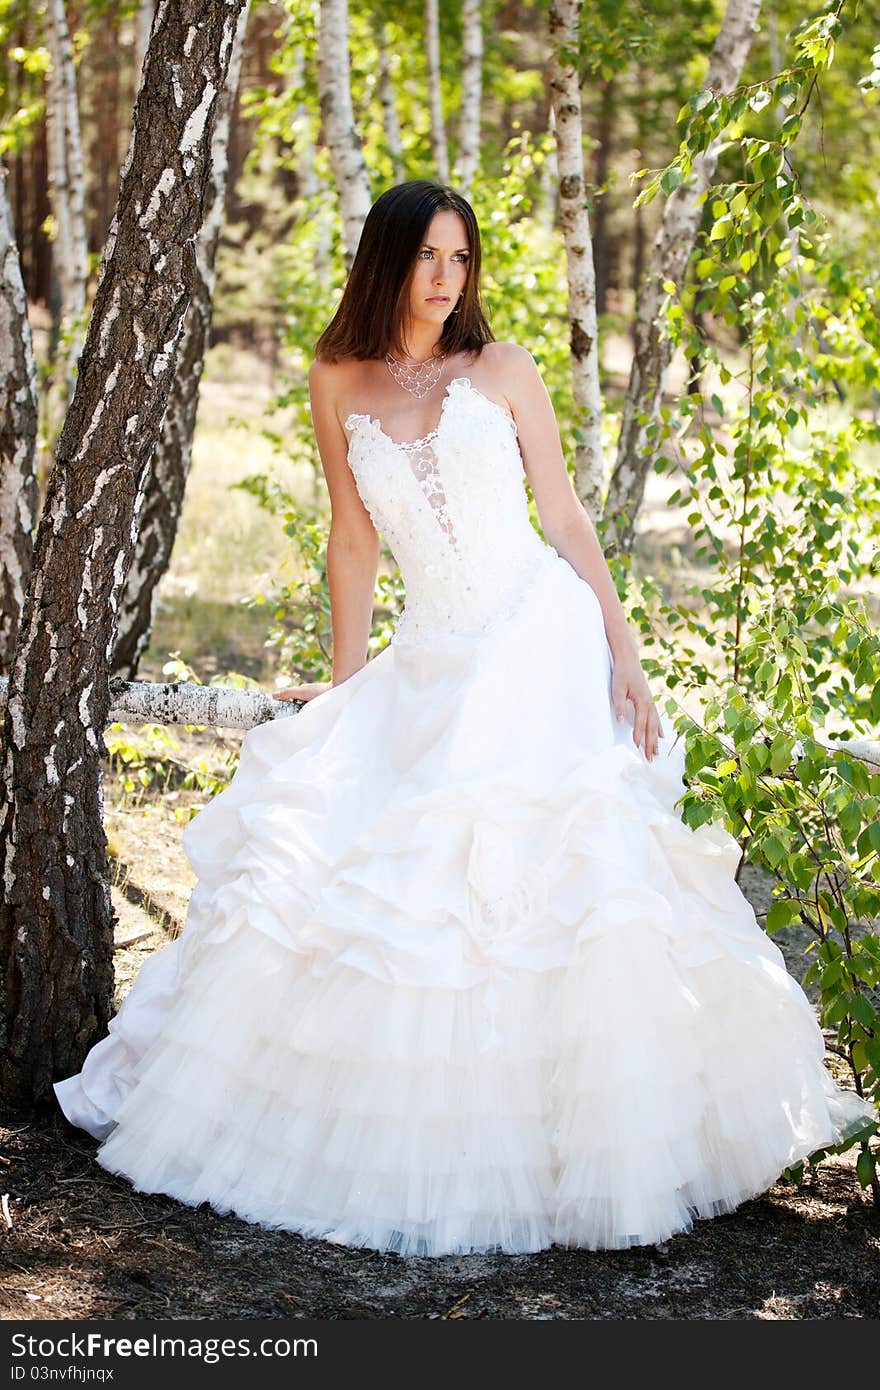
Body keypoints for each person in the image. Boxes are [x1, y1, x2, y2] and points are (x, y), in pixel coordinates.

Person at [54, 180, 876, 1258]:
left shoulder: (503, 369)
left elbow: (567, 517)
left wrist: (624, 657)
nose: (447, 279)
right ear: (387, 260)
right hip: (430, 654)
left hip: (539, 639)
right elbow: (352, 539)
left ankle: (605, 1142)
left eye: (462, 258)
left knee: (574, 875)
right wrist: (347, 688)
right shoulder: (335, 379)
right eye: (429, 256)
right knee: (384, 887)